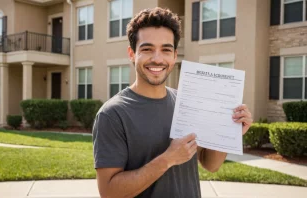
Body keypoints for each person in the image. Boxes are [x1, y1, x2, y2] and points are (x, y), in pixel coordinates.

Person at [92, 7, 252, 198]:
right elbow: (109, 192)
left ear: (175, 55)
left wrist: (229, 131)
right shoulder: (112, 114)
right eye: (147, 49)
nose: (157, 58)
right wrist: (168, 159)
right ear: (132, 54)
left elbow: (211, 164)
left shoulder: (187, 103)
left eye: (166, 50)